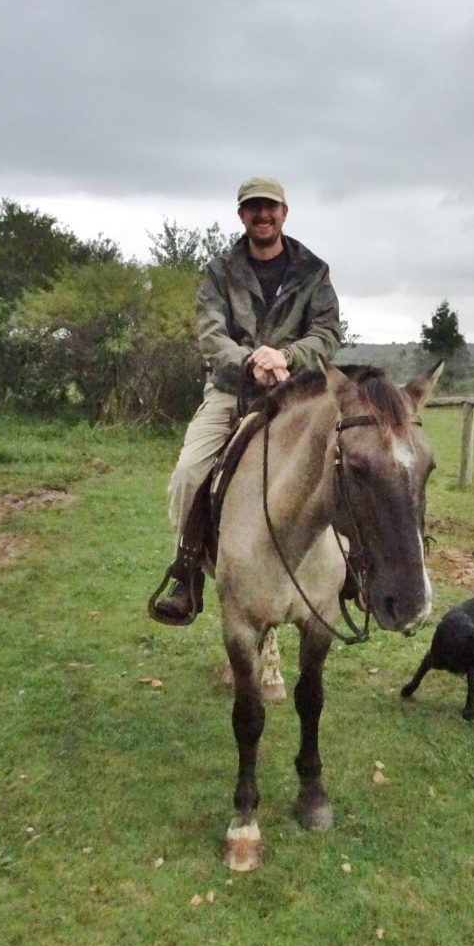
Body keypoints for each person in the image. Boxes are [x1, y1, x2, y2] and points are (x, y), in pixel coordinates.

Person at [150, 175, 343, 624]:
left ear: (284, 212)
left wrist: (289, 356)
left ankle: (353, 572)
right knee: (187, 473)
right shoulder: (219, 271)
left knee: (347, 463)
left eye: (270, 206)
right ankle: (188, 570)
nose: (263, 214)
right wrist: (249, 361)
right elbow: (210, 332)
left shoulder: (314, 271)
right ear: (242, 215)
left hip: (297, 394)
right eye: (253, 207)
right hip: (231, 391)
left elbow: (328, 332)